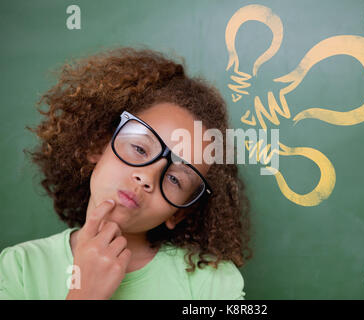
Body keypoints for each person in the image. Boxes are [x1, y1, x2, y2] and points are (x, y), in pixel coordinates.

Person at [0, 47, 252, 300]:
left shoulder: (211, 283)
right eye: (140, 149)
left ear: (179, 212)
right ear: (98, 144)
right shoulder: (19, 268)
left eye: (175, 178)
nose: (146, 178)